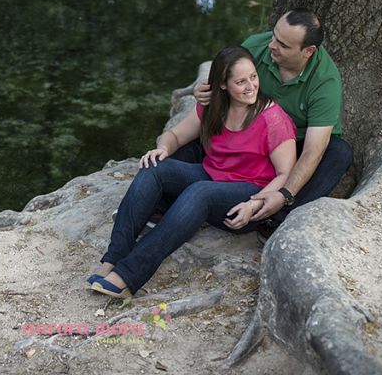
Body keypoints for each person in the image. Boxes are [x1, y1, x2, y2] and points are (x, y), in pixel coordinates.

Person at [89, 46, 297, 298]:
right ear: (223, 85)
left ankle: (128, 275)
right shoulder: (214, 107)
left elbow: (285, 174)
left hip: (248, 197)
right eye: (240, 81)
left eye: (253, 77)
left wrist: (254, 205)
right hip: (212, 175)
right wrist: (162, 149)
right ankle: (112, 260)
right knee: (155, 167)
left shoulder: (273, 119)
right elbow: (175, 136)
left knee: (200, 191)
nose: (251, 86)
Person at [192, 8, 353, 232]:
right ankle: (174, 199)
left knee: (339, 153)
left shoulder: (325, 81)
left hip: (297, 143)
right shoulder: (257, 46)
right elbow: (226, 80)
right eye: (274, 35)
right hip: (253, 134)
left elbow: (312, 151)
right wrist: (205, 92)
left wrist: (285, 193)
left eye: (283, 45)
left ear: (308, 51)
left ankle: (276, 217)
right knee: (193, 135)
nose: (272, 45)